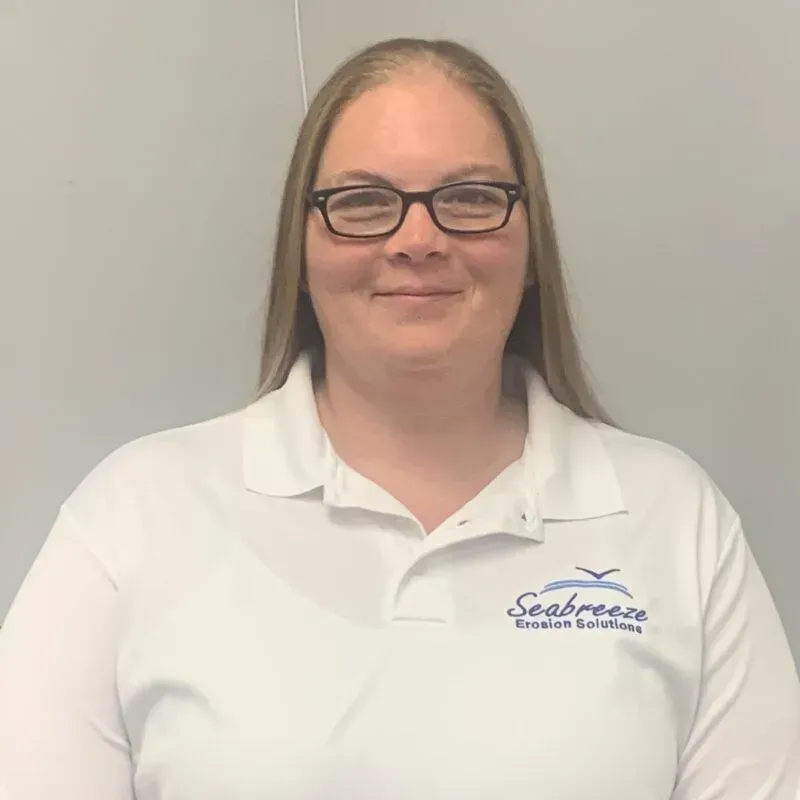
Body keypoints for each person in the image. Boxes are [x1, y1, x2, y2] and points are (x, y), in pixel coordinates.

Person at [0, 36, 798, 800]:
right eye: (363, 202)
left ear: (531, 246)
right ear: (301, 251)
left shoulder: (675, 519)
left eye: (470, 198)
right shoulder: (136, 516)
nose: (418, 239)